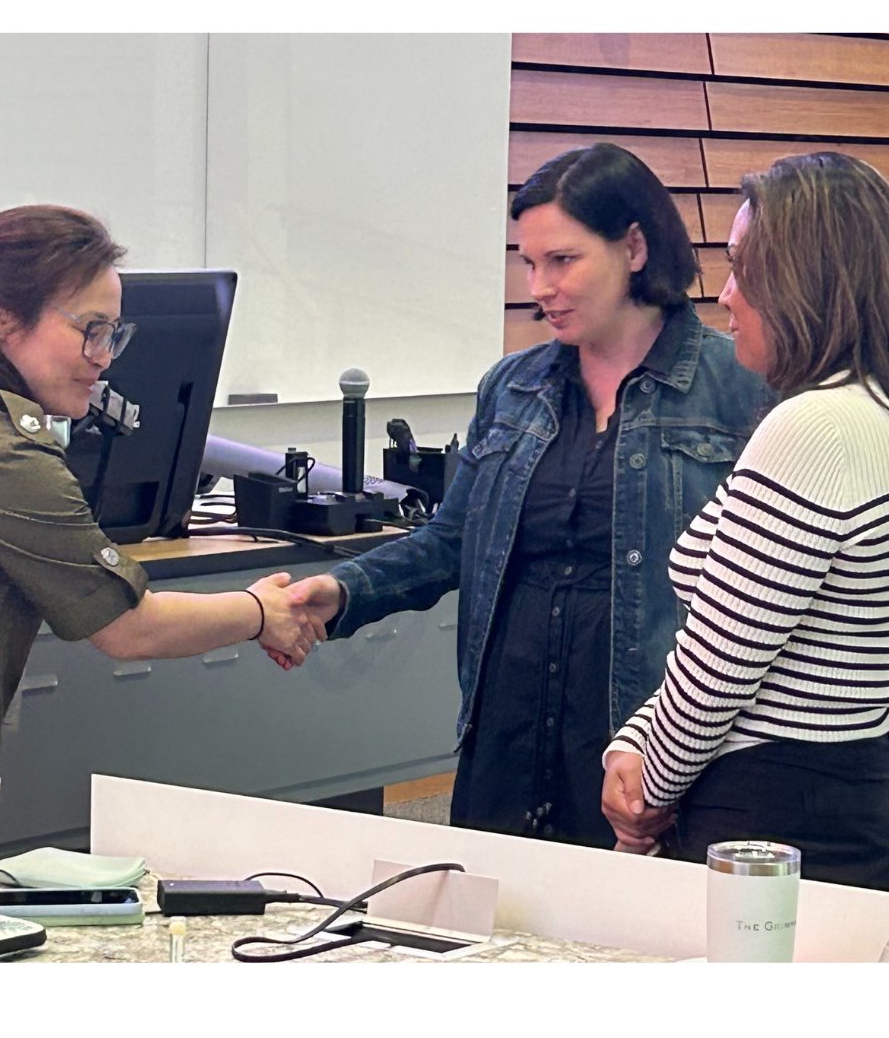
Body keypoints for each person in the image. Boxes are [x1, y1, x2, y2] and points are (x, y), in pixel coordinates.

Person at [0, 205, 324, 886]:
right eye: (89, 331)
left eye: (114, 334)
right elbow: (129, 630)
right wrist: (262, 611)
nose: (104, 359)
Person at [276, 143, 771, 848]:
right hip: (506, 734)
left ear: (633, 247)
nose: (540, 285)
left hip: (645, 750)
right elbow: (453, 540)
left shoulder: (739, 387)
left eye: (562, 261)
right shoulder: (512, 387)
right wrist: (343, 590)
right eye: (529, 263)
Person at [602, 151, 889, 891]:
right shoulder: (865, 414)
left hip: (775, 812)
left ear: (805, 279)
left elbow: (722, 671)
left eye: (742, 266)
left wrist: (644, 794)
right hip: (827, 797)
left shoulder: (817, 427)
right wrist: (634, 740)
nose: (725, 295)